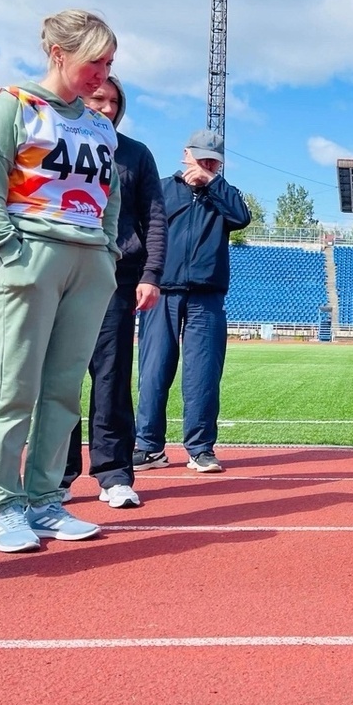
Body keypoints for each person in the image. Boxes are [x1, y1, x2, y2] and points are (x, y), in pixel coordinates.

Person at [0, 9, 121, 552]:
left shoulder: (100, 125)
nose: (102, 74)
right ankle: (5, 506)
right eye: (93, 61)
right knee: (15, 389)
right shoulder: (12, 105)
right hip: (29, 254)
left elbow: (111, 197)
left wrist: (107, 250)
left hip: (89, 261)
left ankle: (45, 501)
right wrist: (9, 250)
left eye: (109, 63)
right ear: (59, 53)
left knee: (63, 390)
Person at [60, 75, 165, 509]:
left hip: (116, 277)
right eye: (96, 98)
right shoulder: (57, 144)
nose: (105, 107)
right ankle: (55, 476)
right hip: (60, 273)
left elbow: (155, 217)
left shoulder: (136, 154)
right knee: (58, 380)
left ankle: (115, 474)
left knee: (111, 378)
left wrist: (151, 273)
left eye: (113, 101)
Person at [133, 130, 250, 474]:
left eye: (213, 160)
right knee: (153, 370)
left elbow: (241, 218)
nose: (206, 164)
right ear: (185, 154)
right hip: (162, 291)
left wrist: (212, 183)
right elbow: (143, 232)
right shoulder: (161, 188)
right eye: (201, 158)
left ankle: (200, 448)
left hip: (207, 295)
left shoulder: (225, 194)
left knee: (202, 375)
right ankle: (148, 446)